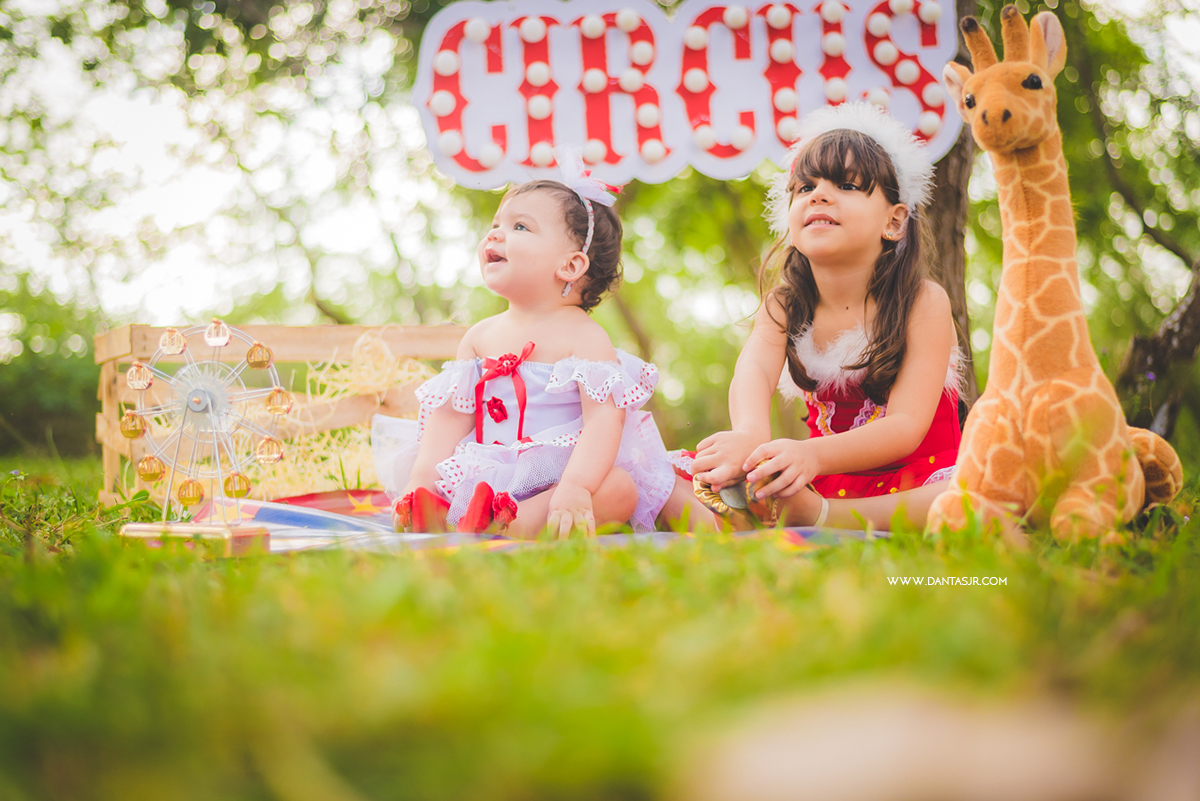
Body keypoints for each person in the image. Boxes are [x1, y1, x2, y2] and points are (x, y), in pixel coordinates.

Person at [373, 163, 712, 538]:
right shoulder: (479, 336)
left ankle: (508, 527)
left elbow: (603, 420)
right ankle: (444, 514)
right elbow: (451, 417)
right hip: (491, 475)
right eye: (496, 224)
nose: (495, 235)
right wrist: (422, 477)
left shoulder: (583, 336)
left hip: (566, 474)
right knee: (443, 486)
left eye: (519, 226)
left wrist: (577, 486)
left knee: (620, 489)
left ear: (570, 265)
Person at [692, 102, 962, 531]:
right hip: (825, 476)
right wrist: (749, 435)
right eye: (804, 187)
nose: (818, 194)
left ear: (894, 221)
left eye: (848, 186)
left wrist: (810, 456)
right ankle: (787, 507)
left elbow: (906, 426)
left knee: (968, 499)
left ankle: (822, 517)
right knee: (687, 470)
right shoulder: (784, 304)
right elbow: (755, 373)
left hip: (919, 476)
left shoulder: (922, 301)